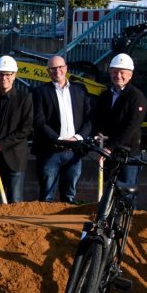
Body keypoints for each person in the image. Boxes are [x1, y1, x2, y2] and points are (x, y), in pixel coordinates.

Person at [32, 55, 92, 203]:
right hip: (50, 151)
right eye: (53, 68)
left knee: (69, 196)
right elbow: (39, 122)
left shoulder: (81, 90)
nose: (57, 71)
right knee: (46, 196)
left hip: (74, 152)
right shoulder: (40, 92)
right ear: (48, 71)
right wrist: (58, 139)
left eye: (60, 67)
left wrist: (78, 137)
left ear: (66, 68)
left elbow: (89, 119)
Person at [0, 56, 33, 204]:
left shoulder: (24, 98)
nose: (4, 78)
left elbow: (26, 129)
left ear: (14, 75)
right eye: (1, 74)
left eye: (8, 74)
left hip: (15, 158)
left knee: (15, 200)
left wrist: (0, 145)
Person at [93, 53, 147, 187]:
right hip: (109, 154)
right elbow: (98, 118)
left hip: (128, 154)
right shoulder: (105, 95)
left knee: (126, 192)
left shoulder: (136, 97)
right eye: (115, 72)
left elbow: (131, 127)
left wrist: (109, 148)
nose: (118, 76)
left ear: (130, 75)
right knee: (108, 192)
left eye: (122, 72)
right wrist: (98, 133)